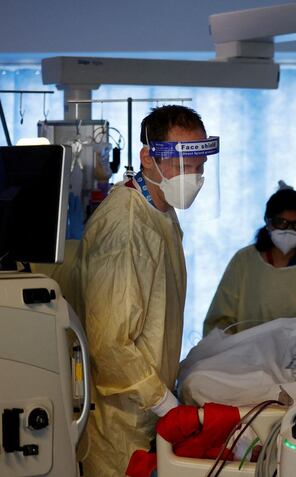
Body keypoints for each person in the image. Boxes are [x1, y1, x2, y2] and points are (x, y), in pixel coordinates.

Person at [68, 105, 218, 477]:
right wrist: (169, 406)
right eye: (182, 164)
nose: (193, 176)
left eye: (199, 164)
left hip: (146, 410)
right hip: (120, 425)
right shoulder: (127, 224)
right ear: (148, 158)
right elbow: (111, 344)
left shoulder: (161, 210)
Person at [203, 182, 296, 335]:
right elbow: (220, 323)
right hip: (248, 356)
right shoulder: (244, 261)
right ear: (268, 221)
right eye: (281, 223)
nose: (288, 231)